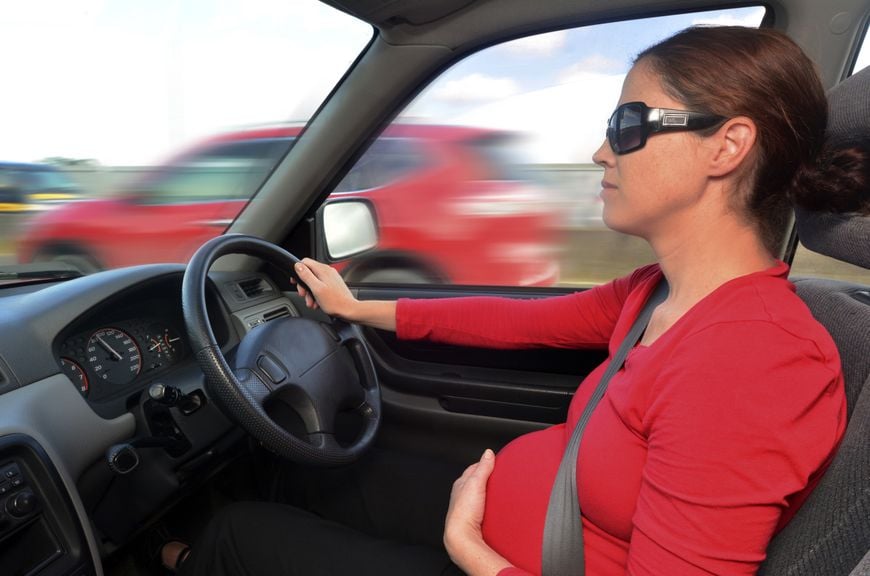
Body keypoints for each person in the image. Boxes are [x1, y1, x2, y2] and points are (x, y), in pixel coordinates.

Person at [164, 25, 870, 575]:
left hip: (497, 561)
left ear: (727, 147)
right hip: (529, 528)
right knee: (314, 487)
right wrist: (357, 309)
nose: (601, 152)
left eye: (627, 125)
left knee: (237, 536)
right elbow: (522, 318)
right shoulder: (661, 295)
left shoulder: (751, 362)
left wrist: (474, 552)